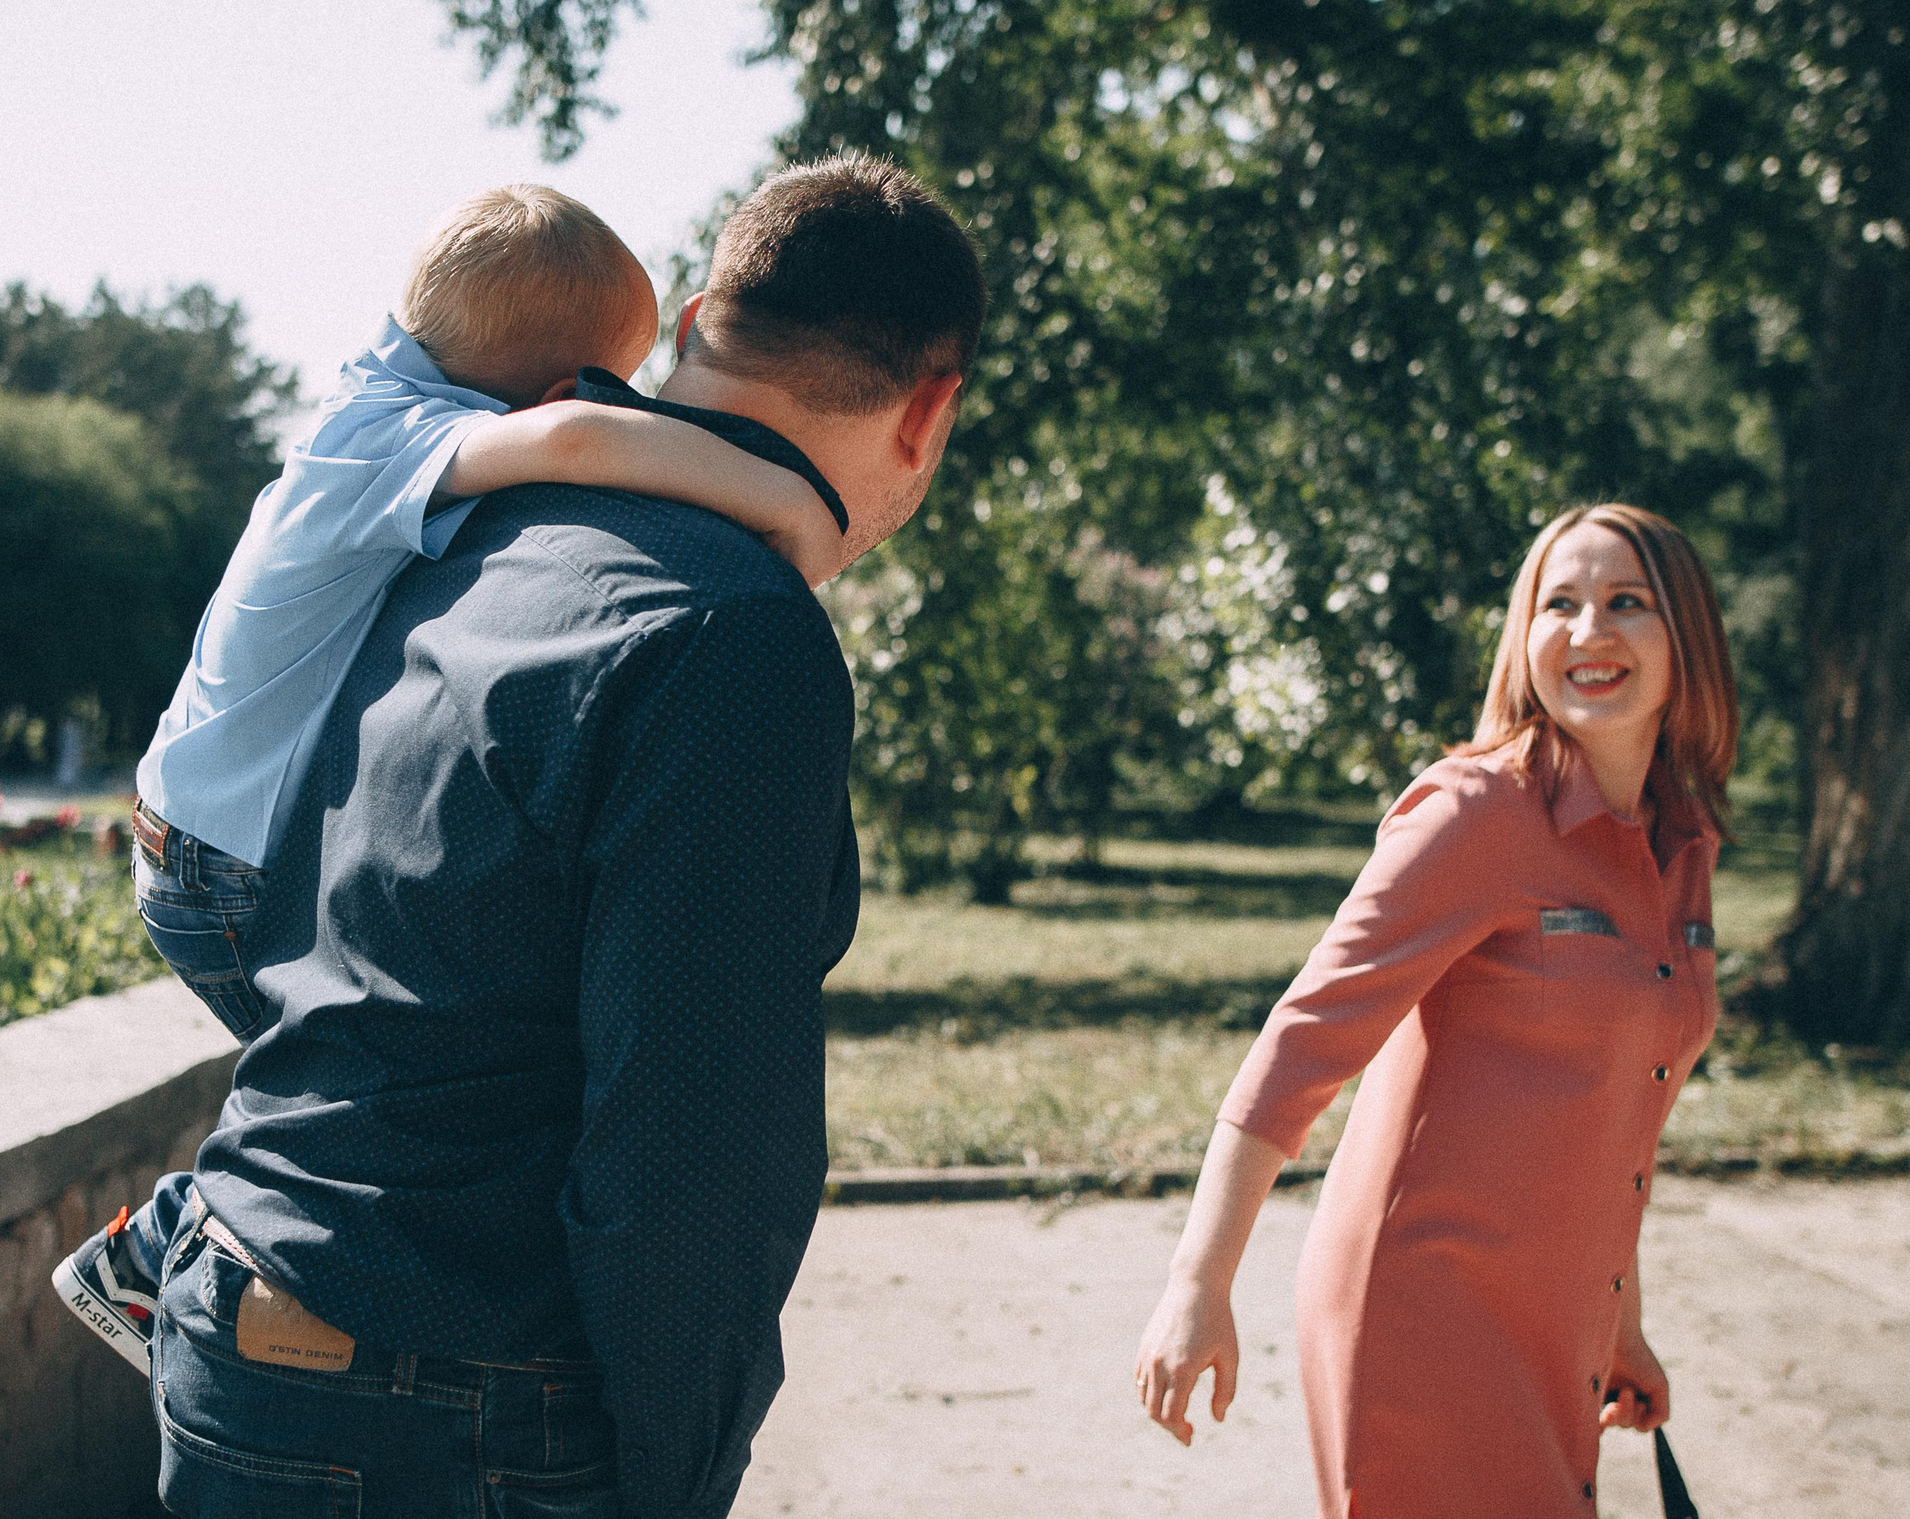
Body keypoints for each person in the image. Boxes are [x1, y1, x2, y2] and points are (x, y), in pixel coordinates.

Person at [138, 154, 985, 1518]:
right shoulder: (733, 635)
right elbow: (690, 1148)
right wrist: (680, 1476)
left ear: (698, 321)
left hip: (242, 1324)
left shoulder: (474, 524)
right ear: (930, 408)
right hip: (449, 1399)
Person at [51, 184, 847, 1372]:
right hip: (220, 862)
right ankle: (166, 1244)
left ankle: (169, 1246)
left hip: (211, 832)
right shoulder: (381, 434)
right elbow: (579, 445)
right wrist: (791, 506)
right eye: (613, 381)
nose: (618, 410)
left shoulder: (390, 412)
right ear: (545, 389)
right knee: (364, 1078)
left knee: (373, 1073)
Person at [1134, 502, 1739, 1517]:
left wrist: (1620, 1321)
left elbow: (1622, 1111)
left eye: (1625, 602)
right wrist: (1198, 1284)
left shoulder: (1681, 839)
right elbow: (1300, 1047)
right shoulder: (1476, 811)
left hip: (1559, 1325)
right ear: (1523, 635)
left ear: (1685, 638)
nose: (1587, 633)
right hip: (1425, 1315)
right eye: (1559, 604)